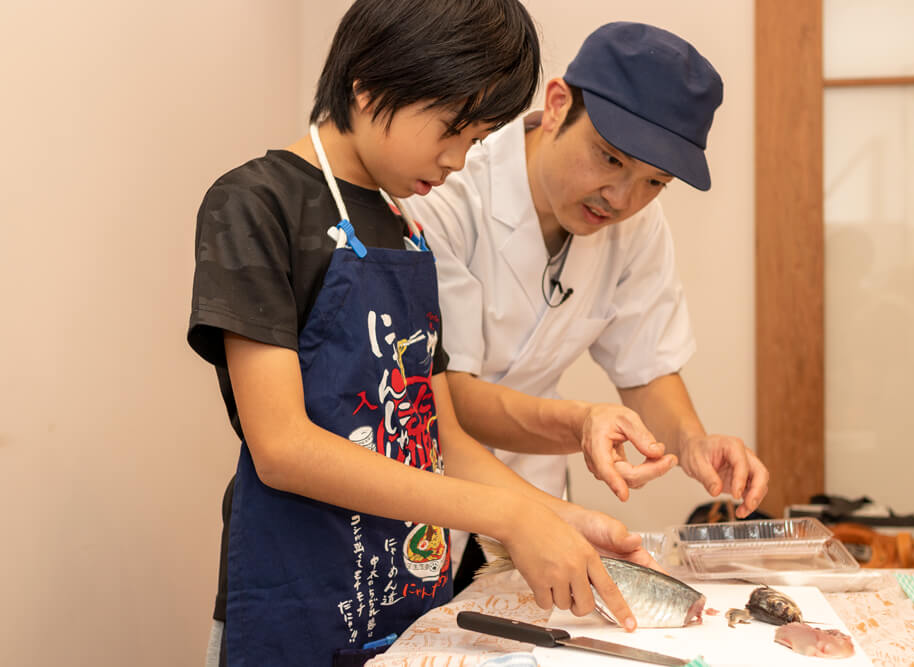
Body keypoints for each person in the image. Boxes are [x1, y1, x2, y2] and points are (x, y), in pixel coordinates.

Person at [187, 4, 658, 666]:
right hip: (294, 601)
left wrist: (559, 518)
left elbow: (441, 439)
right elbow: (284, 448)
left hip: (405, 604)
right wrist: (507, 517)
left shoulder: (408, 231)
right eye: (452, 129)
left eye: (476, 139)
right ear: (368, 83)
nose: (458, 159)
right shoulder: (256, 205)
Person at [402, 22, 770, 587]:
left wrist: (693, 441)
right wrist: (582, 423)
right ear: (557, 106)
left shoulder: (638, 225)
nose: (621, 199)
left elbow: (646, 367)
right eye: (609, 159)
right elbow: (452, 398)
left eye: (655, 182)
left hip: (536, 486)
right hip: (426, 479)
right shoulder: (449, 192)